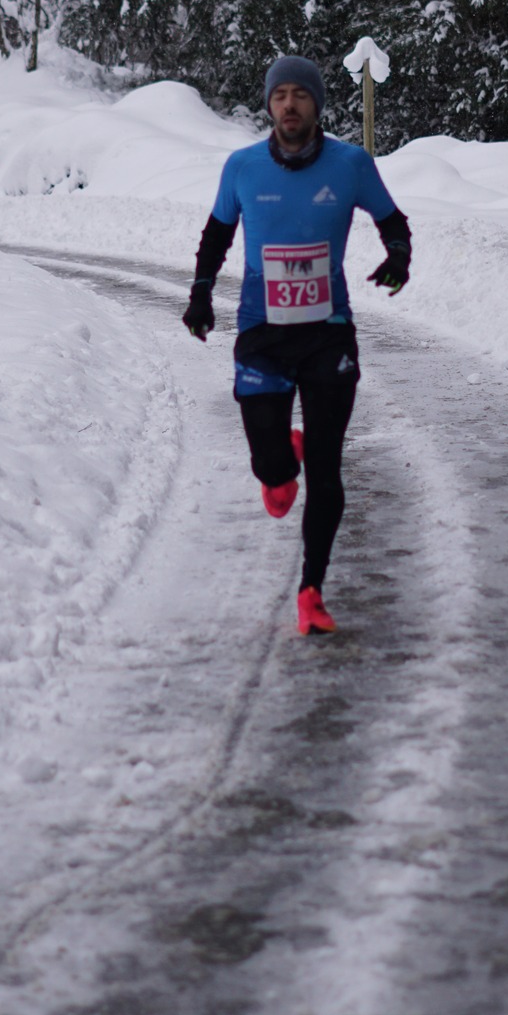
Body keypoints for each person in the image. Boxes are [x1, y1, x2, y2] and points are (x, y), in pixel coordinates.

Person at [181, 55, 411, 635]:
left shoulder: (350, 164)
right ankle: (283, 457)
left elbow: (393, 222)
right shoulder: (242, 167)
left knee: (328, 471)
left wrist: (398, 258)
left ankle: (312, 590)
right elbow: (216, 236)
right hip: (262, 336)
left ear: (317, 105)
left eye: (300, 95)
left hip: (328, 335)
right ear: (268, 105)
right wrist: (201, 294)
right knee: (275, 478)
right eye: (280, 94)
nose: (289, 104)